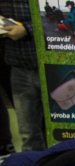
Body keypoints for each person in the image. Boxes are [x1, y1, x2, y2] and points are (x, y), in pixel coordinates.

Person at [0, 0, 46, 151]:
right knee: (28, 133)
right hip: (18, 65)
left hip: (49, 64)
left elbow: (56, 18)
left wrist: (27, 28)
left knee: (59, 127)